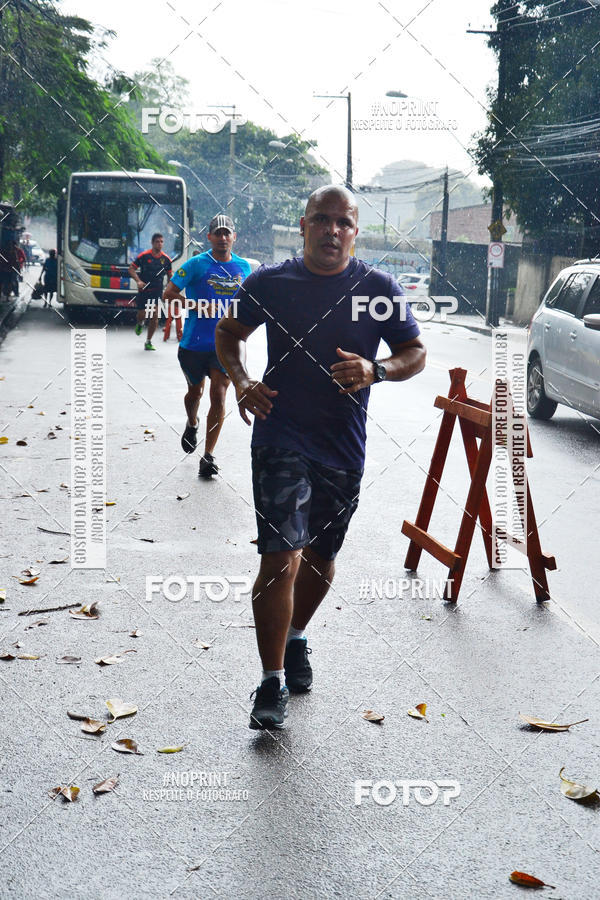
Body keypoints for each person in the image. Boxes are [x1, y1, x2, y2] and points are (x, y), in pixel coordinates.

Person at [215, 185, 426, 730]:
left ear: (356, 230)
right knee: (280, 555)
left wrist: (377, 369)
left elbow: (415, 352)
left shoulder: (378, 289)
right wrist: (241, 381)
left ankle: (296, 637)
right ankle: (269, 682)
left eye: (345, 222)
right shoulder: (271, 282)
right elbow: (228, 332)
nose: (333, 230)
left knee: (321, 557)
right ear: (304, 224)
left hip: (341, 446)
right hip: (280, 436)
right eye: (322, 220)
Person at [162, 215, 251, 478]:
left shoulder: (244, 268)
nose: (223, 238)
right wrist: (196, 305)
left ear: (234, 237)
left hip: (224, 344)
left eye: (227, 233)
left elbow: (253, 301)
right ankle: (192, 422)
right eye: (218, 233)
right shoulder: (196, 264)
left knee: (219, 395)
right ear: (209, 237)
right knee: (195, 393)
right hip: (193, 344)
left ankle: (208, 456)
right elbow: (168, 294)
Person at [128, 233, 172, 351]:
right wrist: (138, 281)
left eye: (162, 241)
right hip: (144, 290)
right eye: (157, 241)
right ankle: (140, 323)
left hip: (157, 291)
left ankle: (148, 341)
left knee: (155, 316)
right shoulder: (144, 256)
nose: (160, 244)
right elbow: (131, 269)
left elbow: (170, 275)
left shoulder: (166, 259)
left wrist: (169, 288)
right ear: (152, 243)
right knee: (142, 314)